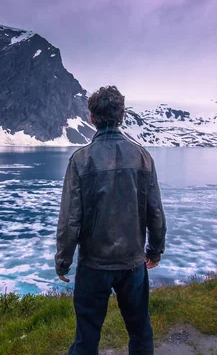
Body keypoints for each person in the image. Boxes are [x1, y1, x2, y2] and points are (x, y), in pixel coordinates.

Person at [55, 85, 167, 355]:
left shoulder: (81, 160)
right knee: (140, 332)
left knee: (87, 337)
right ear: (122, 116)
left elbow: (70, 220)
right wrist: (154, 250)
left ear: (92, 117)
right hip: (133, 263)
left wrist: (63, 260)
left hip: (94, 264)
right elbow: (156, 212)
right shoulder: (143, 157)